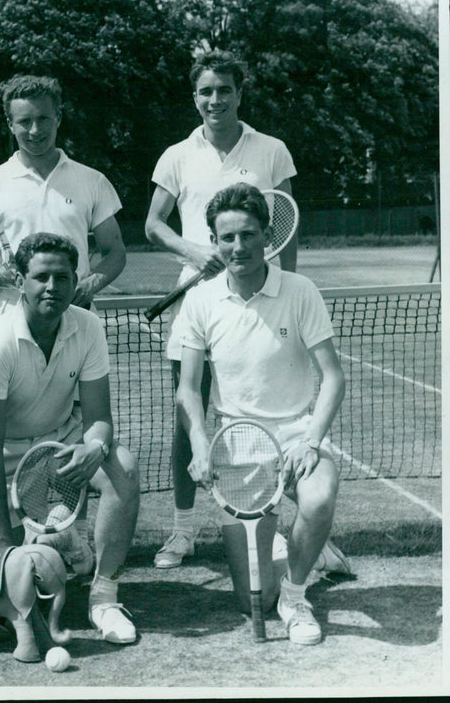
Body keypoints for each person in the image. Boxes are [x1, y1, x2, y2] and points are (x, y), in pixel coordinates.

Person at [145, 50, 348, 574]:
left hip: (265, 301)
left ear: (240, 93)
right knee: (187, 417)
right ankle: (183, 531)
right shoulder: (176, 155)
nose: (215, 100)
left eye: (225, 90)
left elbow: (285, 226)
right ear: (195, 97)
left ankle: (312, 535)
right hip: (201, 302)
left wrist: (288, 289)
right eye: (206, 91)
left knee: (284, 411)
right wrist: (197, 254)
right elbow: (153, 226)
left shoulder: (273, 150)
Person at [175, 182, 345, 645]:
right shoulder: (199, 300)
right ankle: (287, 552)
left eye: (248, 235)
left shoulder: (300, 289)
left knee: (318, 496)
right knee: (252, 599)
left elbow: (332, 377)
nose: (238, 246)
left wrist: (311, 440)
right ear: (213, 241)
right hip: (238, 443)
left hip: (295, 434)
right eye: (227, 237)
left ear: (267, 235)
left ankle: (297, 593)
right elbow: (188, 389)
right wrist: (198, 445)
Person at [0, 232, 140, 645]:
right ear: (20, 280)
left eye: (62, 277)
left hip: (62, 440)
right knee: (15, 593)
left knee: (124, 467)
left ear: (75, 280)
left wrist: (93, 447)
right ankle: (56, 538)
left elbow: (99, 419)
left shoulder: (89, 326)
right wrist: (5, 545)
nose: (52, 287)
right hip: (3, 457)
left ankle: (104, 596)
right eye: (41, 277)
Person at [0, 74, 126, 315]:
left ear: (58, 118)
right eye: (25, 121)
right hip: (12, 314)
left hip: (76, 313)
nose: (35, 130)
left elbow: (115, 252)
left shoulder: (93, 180)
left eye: (43, 119)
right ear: (10, 124)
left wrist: (88, 284)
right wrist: (9, 278)